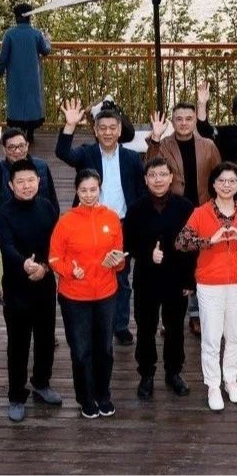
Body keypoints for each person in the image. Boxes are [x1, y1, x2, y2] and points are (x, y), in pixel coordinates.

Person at [175, 162, 237, 411]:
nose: (227, 185)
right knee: (211, 337)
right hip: (210, 283)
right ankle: (213, 385)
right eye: (222, 181)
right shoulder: (201, 212)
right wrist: (209, 240)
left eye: (232, 181)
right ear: (214, 184)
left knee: (235, 335)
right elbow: (181, 242)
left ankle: (231, 378)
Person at [55, 98, 145, 347]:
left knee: (121, 276)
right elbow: (63, 153)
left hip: (121, 224)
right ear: (95, 130)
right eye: (102, 128)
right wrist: (70, 125)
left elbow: (140, 191)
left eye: (112, 128)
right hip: (89, 224)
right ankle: (93, 320)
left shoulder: (131, 158)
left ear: (119, 130)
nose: (107, 132)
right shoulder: (87, 153)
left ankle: (120, 324)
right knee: (88, 271)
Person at [49, 169, 126, 419]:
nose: (89, 194)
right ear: (77, 191)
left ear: (99, 189)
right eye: (84, 190)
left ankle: (103, 395)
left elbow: (120, 259)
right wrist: (70, 271)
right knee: (81, 351)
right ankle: (85, 397)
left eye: (93, 189)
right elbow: (54, 258)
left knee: (105, 349)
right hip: (74, 297)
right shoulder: (66, 221)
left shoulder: (111, 218)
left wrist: (117, 261)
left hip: (106, 293)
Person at [146, 101, 222, 337]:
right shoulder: (163, 145)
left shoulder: (208, 145)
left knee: (199, 261)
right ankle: (168, 316)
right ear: (172, 120)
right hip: (173, 210)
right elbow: (149, 167)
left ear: (194, 120)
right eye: (178, 119)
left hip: (202, 210)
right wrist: (155, 138)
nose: (184, 123)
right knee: (170, 260)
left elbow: (219, 176)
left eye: (188, 118)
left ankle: (196, 313)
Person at [124, 157, 196, 400]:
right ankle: (146, 373)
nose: (158, 180)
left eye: (163, 175)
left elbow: (192, 246)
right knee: (145, 327)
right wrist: (147, 254)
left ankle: (173, 372)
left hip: (177, 279)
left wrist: (190, 281)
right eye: (153, 175)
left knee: (175, 328)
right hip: (146, 278)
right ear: (146, 179)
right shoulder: (136, 209)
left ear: (171, 177)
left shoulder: (185, 207)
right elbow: (128, 244)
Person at [0, 159, 61, 422]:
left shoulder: (47, 207)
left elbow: (55, 244)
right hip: (16, 286)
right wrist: (25, 264)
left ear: (39, 181)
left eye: (31, 180)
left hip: (44, 282)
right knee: (18, 343)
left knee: (46, 337)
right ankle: (16, 395)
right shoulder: (4, 212)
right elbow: (6, 245)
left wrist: (44, 267)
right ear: (11, 185)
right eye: (20, 182)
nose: (26, 186)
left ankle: (41, 382)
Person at [0, 3, 51, 143]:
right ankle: (30, 132)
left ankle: (17, 132)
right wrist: (48, 40)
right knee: (32, 103)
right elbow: (45, 50)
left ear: (16, 17)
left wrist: (1, 70)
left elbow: (3, 57)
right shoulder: (36, 34)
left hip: (15, 77)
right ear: (29, 17)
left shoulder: (9, 34)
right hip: (32, 76)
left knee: (16, 102)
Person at [0, 127, 59, 214]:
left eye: (21, 146)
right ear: (4, 149)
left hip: (40, 217)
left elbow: (52, 197)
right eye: (11, 147)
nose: (17, 151)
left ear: (27, 145)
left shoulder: (41, 166)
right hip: (10, 219)